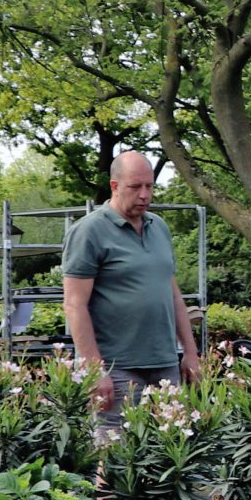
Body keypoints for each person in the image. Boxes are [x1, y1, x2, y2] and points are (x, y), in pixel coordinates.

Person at [62, 151, 198, 435]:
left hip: (165, 365)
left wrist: (190, 353)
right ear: (114, 186)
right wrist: (94, 370)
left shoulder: (159, 227)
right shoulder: (89, 231)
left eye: (149, 186)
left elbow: (173, 295)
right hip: (117, 368)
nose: (144, 195)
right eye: (135, 187)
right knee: (114, 451)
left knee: (170, 449)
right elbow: (74, 305)